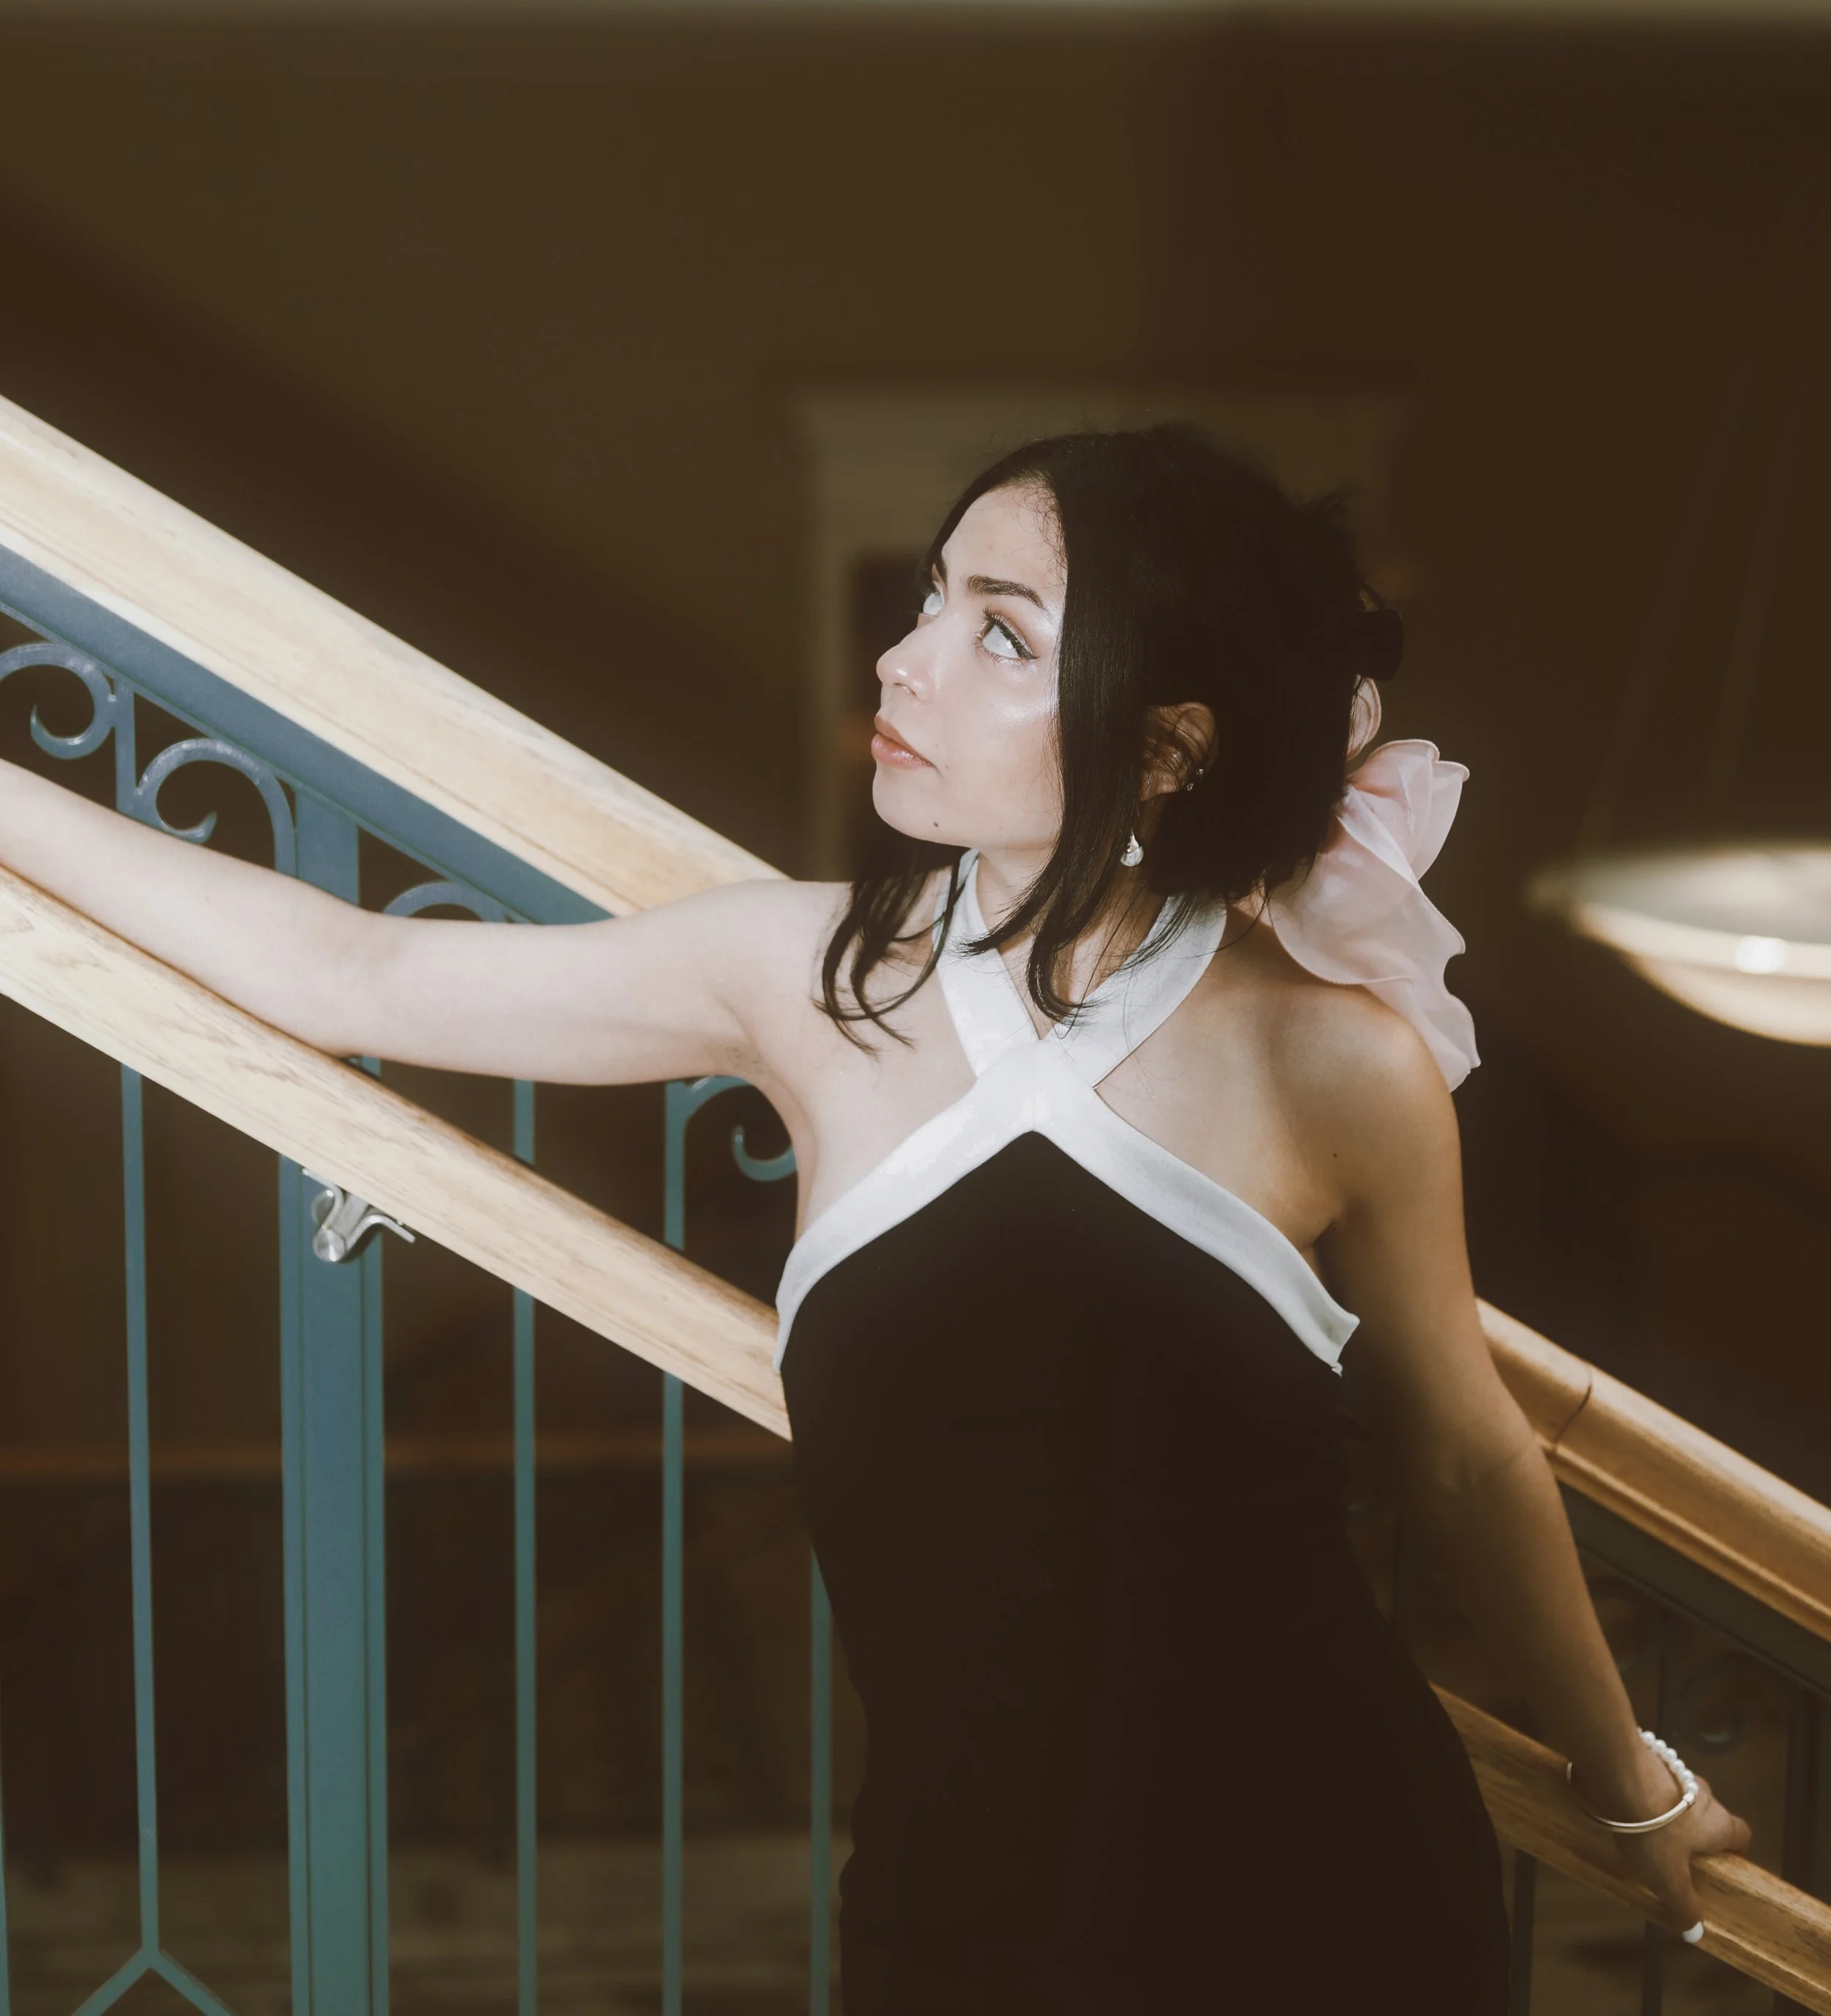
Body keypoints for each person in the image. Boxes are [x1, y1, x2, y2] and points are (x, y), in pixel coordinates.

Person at [0, 423, 1748, 2011]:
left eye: (998, 631)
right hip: (957, 1922)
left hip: (1332, 1905)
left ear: (1162, 747)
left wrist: (1630, 1784)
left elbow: (1463, 1457)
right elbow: (351, 967)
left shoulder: (1334, 1064)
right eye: (929, 601)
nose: (903, 659)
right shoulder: (800, 973)